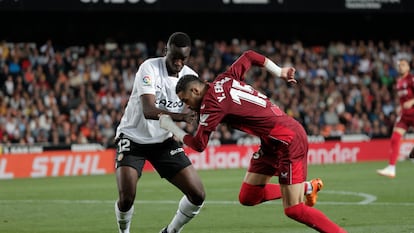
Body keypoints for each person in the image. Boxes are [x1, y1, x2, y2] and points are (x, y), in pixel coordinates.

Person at [159, 49, 347, 233]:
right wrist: (279, 71)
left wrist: (170, 126)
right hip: (271, 141)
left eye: (186, 99)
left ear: (195, 90)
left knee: (294, 209)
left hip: (288, 140)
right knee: (248, 196)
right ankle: (307, 187)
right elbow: (249, 56)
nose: (186, 105)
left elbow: (199, 145)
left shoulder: (211, 104)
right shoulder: (224, 78)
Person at [113, 32, 205, 233]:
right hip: (133, 138)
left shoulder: (191, 77)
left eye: (184, 59)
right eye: (175, 57)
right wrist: (180, 119)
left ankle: (171, 231)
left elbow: (194, 109)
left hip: (163, 141)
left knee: (197, 194)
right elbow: (148, 110)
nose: (179, 63)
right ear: (166, 51)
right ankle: (124, 231)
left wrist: (178, 131)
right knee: (127, 198)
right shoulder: (149, 68)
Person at [377, 58, 414, 178]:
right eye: (399, 65)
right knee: (395, 138)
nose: (401, 67)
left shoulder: (411, 79)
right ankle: (391, 168)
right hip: (404, 115)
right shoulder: (398, 82)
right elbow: (402, 99)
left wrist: (412, 101)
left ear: (408, 67)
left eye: (403, 65)